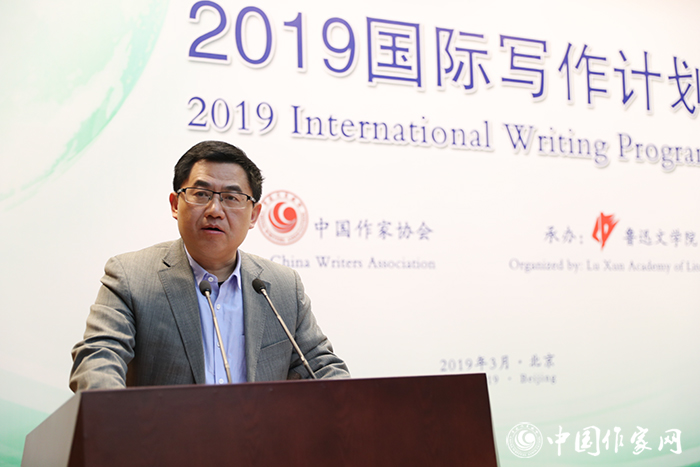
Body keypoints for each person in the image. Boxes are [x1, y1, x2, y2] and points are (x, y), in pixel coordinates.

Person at [70, 141, 349, 391]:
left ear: (254, 215)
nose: (215, 210)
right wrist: (111, 418)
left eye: (231, 197)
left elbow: (322, 367)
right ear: (175, 204)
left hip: (258, 433)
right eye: (201, 194)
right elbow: (98, 358)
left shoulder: (282, 287)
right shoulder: (131, 276)